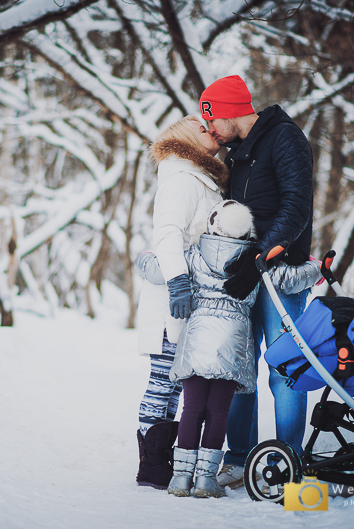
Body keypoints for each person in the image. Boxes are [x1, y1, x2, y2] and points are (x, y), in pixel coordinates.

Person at [136, 201, 322, 498]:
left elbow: (158, 270)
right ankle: (206, 480)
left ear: (212, 223)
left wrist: (145, 258)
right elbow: (288, 280)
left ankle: (181, 479)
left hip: (197, 345)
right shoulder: (253, 261)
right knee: (218, 412)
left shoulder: (195, 256)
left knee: (192, 409)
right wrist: (318, 268)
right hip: (231, 349)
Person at [198, 75, 314, 489]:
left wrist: (260, 253)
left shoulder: (285, 139)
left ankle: (289, 460)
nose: (208, 128)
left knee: (284, 368)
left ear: (230, 110)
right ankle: (240, 456)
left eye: (210, 118)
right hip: (242, 273)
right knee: (238, 368)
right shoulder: (236, 152)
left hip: (278, 274)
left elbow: (296, 205)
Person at [135, 114, 228, 489]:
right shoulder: (180, 180)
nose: (214, 131)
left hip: (192, 299)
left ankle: (159, 460)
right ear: (190, 139)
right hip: (171, 301)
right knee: (162, 381)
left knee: (174, 384)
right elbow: (168, 234)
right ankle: (151, 464)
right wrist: (177, 283)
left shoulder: (199, 178)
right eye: (205, 129)